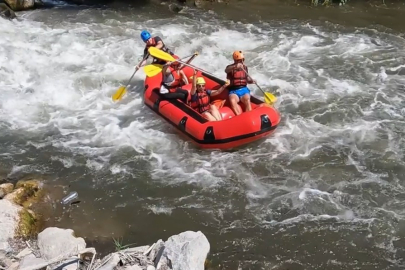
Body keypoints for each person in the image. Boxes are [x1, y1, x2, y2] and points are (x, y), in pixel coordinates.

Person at [224, 50, 256, 116]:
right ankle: (239, 117)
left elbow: (246, 79)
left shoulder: (245, 68)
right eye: (239, 60)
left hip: (244, 89)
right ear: (235, 60)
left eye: (242, 60)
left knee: (247, 100)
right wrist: (235, 66)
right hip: (233, 90)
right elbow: (226, 70)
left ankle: (249, 116)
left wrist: (251, 81)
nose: (241, 62)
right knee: (232, 100)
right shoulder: (230, 68)